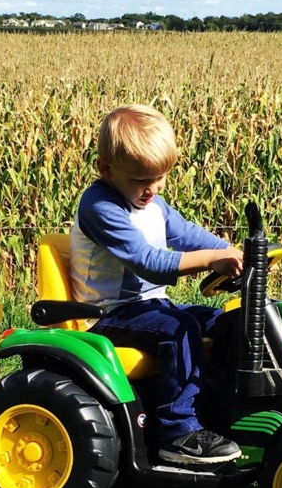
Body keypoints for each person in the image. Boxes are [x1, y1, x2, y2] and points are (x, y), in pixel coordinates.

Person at [70, 103, 244, 465]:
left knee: (225, 322)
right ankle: (178, 433)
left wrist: (234, 252)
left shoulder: (153, 204)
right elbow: (149, 264)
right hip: (105, 315)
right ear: (106, 169)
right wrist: (212, 260)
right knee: (178, 330)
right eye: (141, 180)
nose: (152, 189)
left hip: (149, 308)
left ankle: (220, 412)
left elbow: (188, 236)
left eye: (160, 177)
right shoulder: (100, 206)